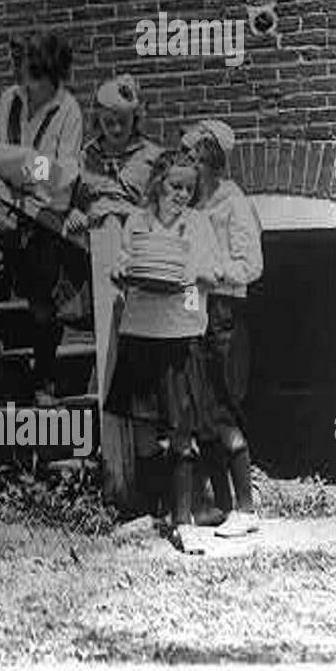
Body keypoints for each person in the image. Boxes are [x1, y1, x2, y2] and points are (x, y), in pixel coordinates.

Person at [0, 31, 84, 399]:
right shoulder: (10, 99)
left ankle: (44, 374)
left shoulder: (69, 110)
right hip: (1, 203)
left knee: (42, 305)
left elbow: (60, 175)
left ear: (51, 73)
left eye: (34, 74)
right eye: (23, 73)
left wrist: (18, 163)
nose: (27, 83)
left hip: (43, 217)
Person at [105, 150, 222, 554]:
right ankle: (152, 508)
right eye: (176, 186)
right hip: (140, 332)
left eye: (190, 188)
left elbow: (212, 274)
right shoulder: (136, 221)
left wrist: (187, 281)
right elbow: (123, 264)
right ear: (157, 184)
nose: (183, 195)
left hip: (178, 335)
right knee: (141, 429)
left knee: (180, 429)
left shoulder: (200, 224)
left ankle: (183, 515)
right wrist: (119, 272)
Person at [183, 119, 264, 539]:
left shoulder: (234, 202)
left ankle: (247, 510)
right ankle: (219, 507)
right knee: (202, 409)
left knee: (224, 406)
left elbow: (252, 266)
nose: (187, 167)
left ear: (211, 161)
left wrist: (214, 273)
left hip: (225, 314)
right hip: (196, 313)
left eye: (193, 159)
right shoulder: (192, 207)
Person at [64, 74, 162, 234]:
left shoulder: (153, 157)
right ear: (98, 121)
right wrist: (72, 212)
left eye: (123, 121)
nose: (117, 129)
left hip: (136, 237)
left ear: (135, 118)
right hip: (91, 236)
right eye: (109, 122)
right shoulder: (85, 157)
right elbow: (65, 198)